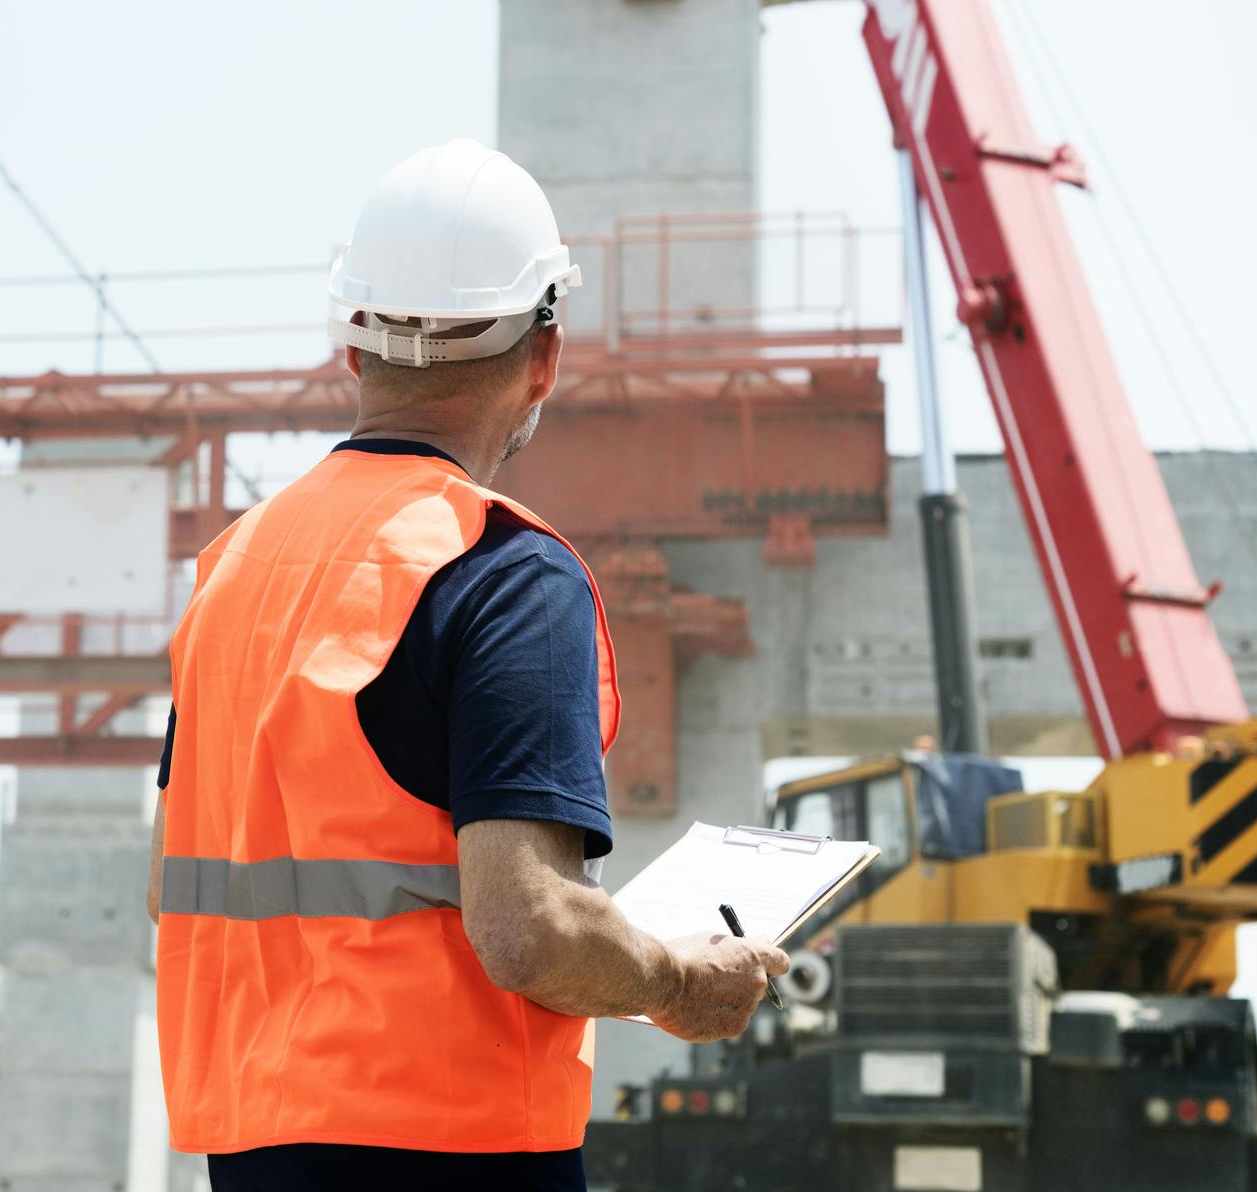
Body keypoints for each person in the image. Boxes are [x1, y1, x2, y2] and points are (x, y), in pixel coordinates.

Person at [147, 139, 788, 1191]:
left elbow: (168, 884)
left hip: (250, 1148)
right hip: (452, 1150)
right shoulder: (502, 574)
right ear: (544, 358)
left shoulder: (231, 571)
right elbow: (526, 927)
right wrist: (676, 982)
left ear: (351, 349)